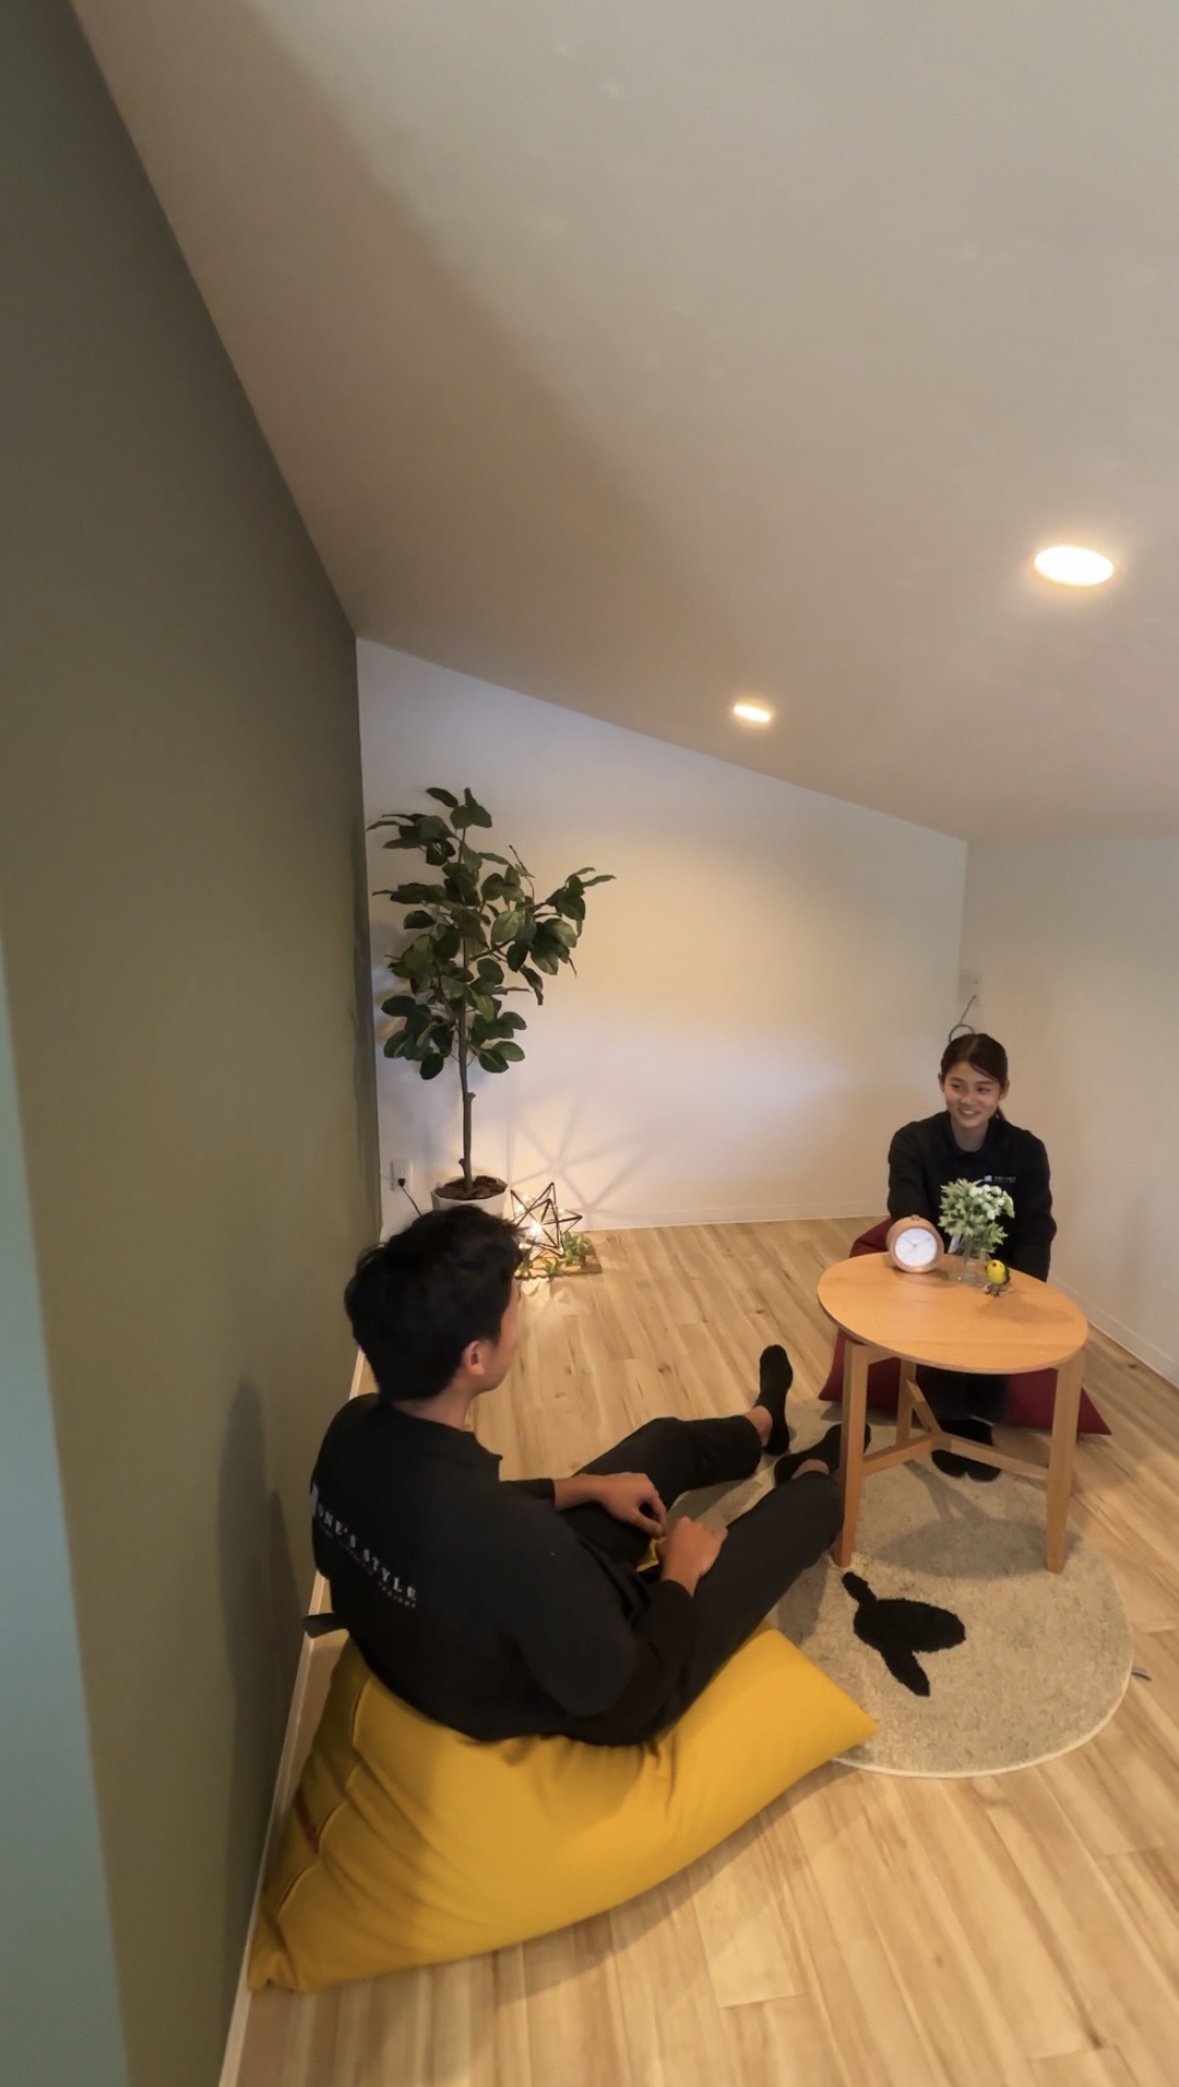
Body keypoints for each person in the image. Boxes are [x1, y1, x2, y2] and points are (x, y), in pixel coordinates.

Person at [311, 1205, 854, 1747]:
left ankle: (763, 1424)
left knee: (661, 1444)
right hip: (610, 1687)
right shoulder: (514, 1538)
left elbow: (463, 1511)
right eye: (513, 1310)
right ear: (475, 1356)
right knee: (812, 1508)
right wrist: (679, 1576)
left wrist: (586, 1487)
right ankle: (812, 1470)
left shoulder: (352, 1429)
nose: (518, 1322)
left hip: (483, 1618)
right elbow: (631, 1698)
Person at [887, 1031, 1055, 1479]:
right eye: (957, 1086)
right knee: (946, 1321)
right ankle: (947, 1417)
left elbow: (1036, 1227)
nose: (969, 1100)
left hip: (999, 1272)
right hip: (932, 1266)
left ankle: (979, 1422)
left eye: (983, 1088)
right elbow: (906, 1211)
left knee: (995, 1326)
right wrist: (930, 1263)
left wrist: (1024, 1290)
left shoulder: (1026, 1150)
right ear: (941, 1082)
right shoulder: (913, 1141)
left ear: (1003, 1090)